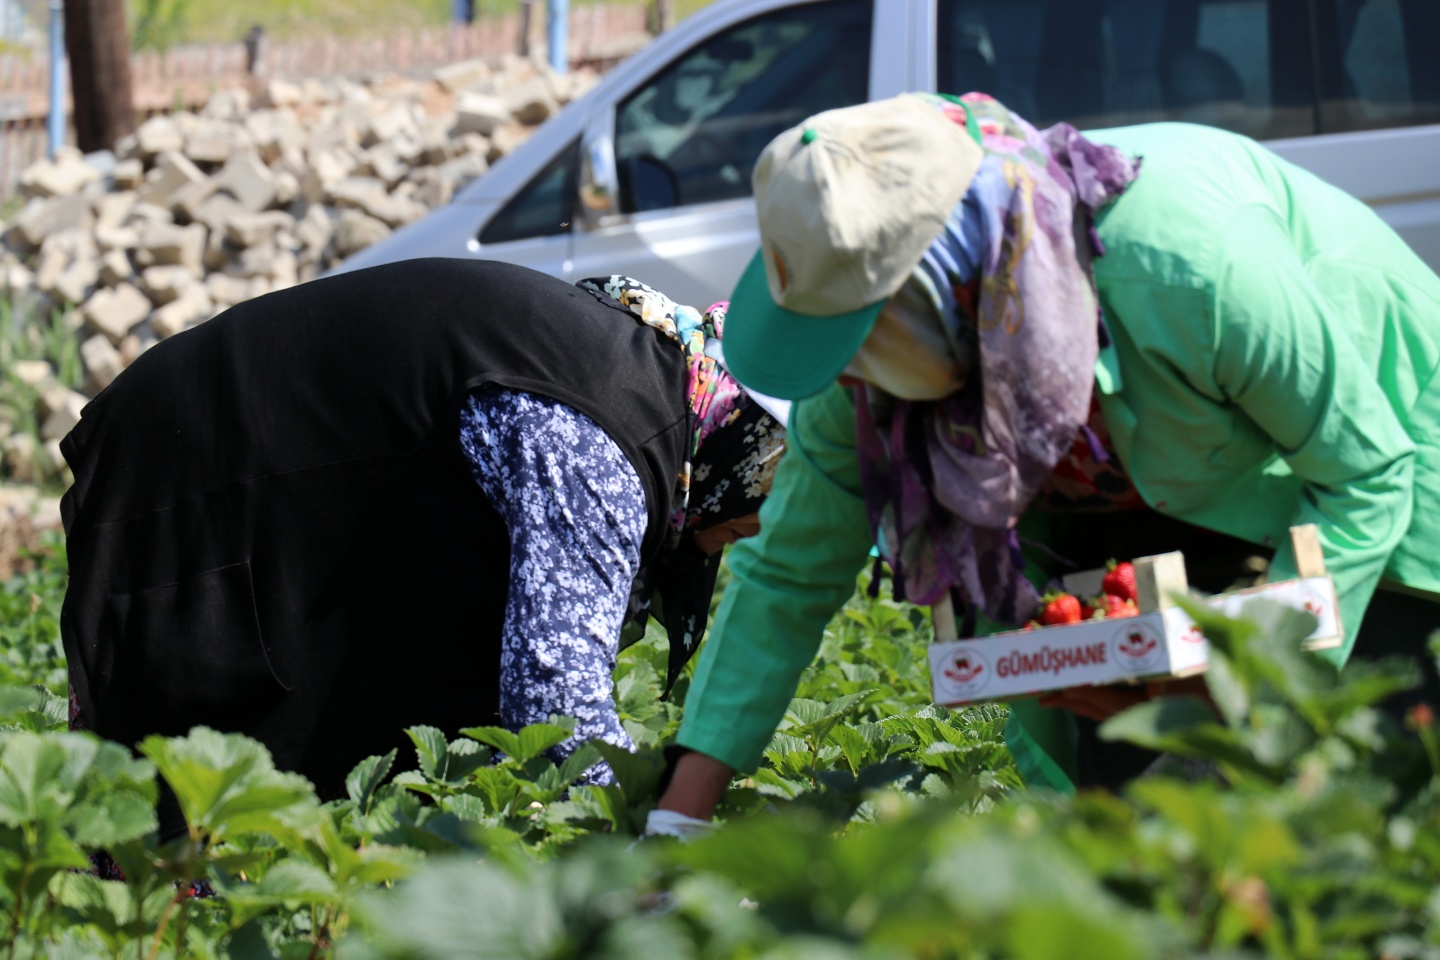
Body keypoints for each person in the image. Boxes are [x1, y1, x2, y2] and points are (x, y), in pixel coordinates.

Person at [649, 91, 1440, 829]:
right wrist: (676, 821)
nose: (847, 378)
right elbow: (786, 576)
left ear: (947, 290)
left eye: (862, 343)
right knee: (1147, 831)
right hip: (1145, 517)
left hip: (1374, 504)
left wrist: (1243, 682)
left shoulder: (1182, 268)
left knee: (1366, 793)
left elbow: (1364, 474)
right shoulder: (865, 374)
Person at [59, 259, 786, 821]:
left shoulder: (652, 377)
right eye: (751, 514)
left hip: (289, 479)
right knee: (194, 789)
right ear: (744, 456)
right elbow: (556, 705)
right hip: (198, 471)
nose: (739, 536)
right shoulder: (597, 448)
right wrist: (669, 839)